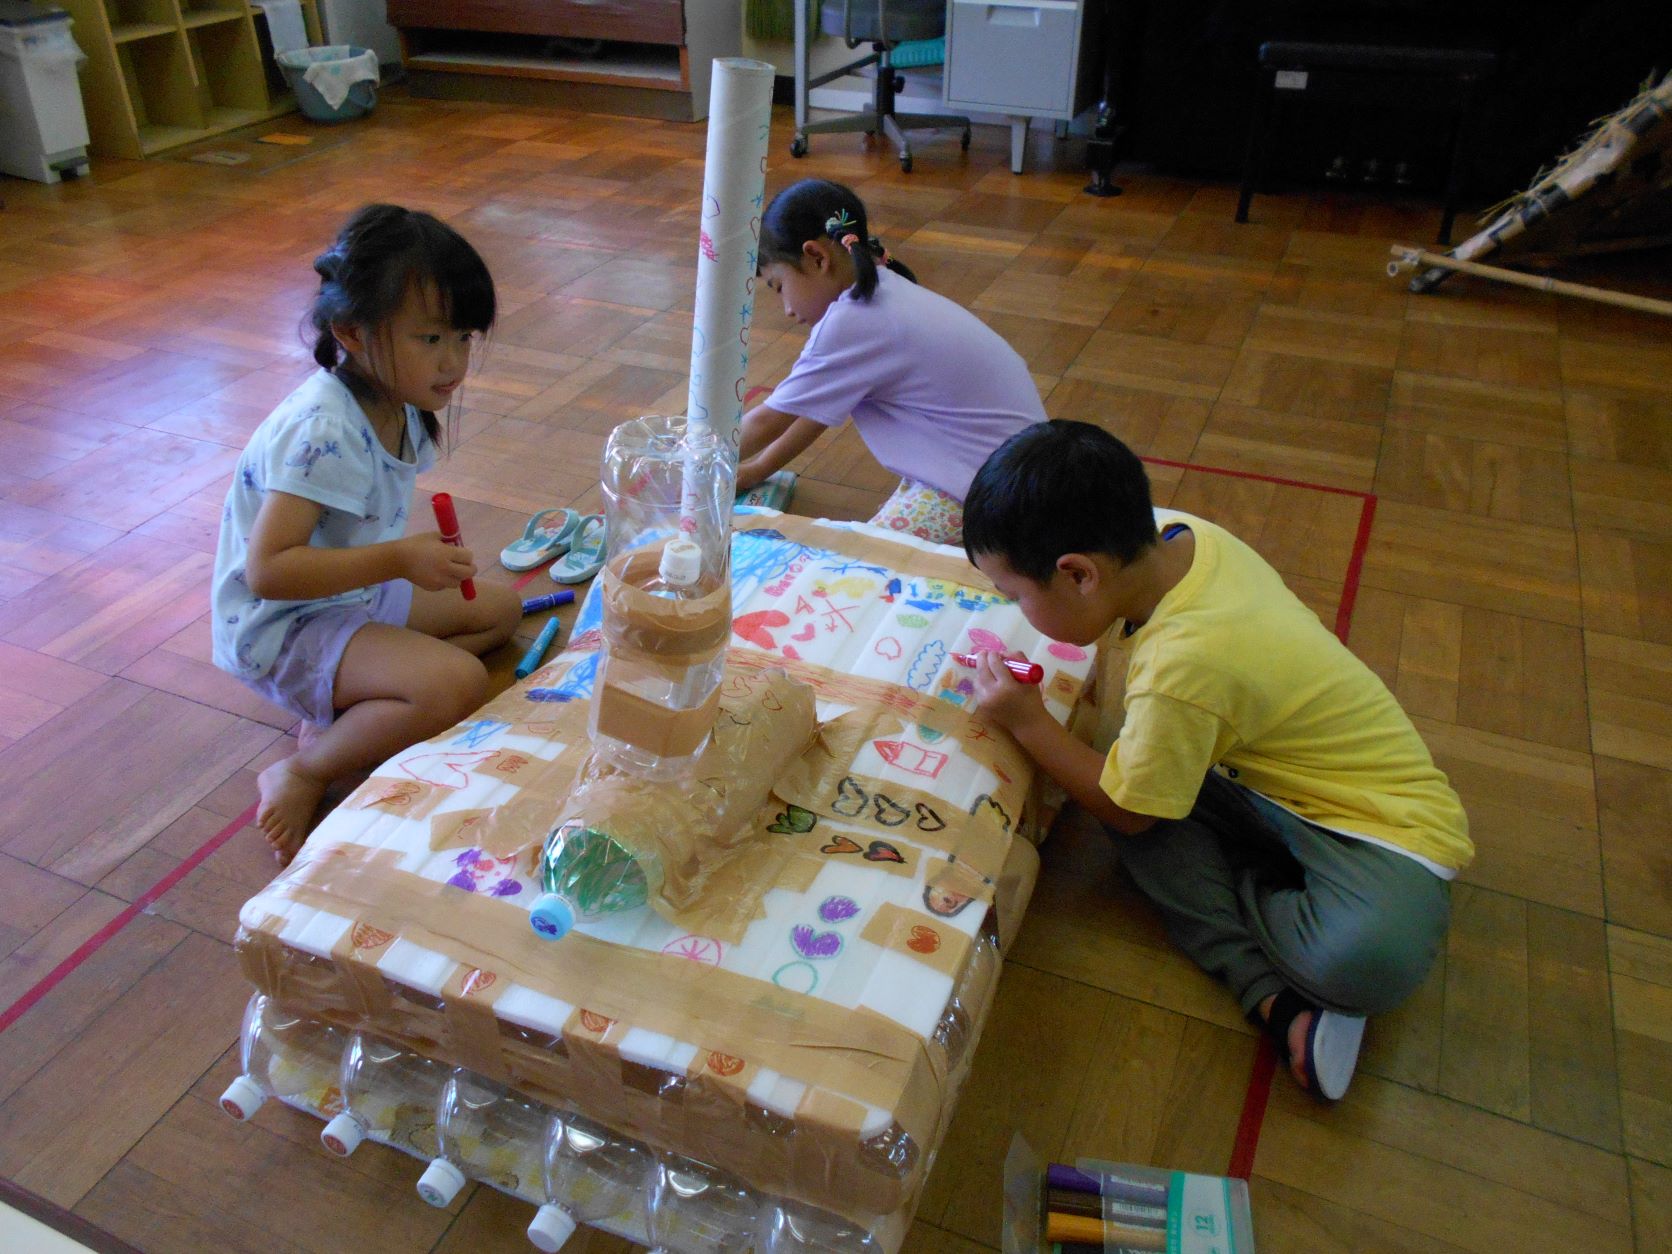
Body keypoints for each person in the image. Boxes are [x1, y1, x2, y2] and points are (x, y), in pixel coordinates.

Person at [960, 420, 1471, 1100]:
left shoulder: (1184, 667)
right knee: (1121, 780)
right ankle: (1273, 994)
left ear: (1079, 573)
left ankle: (1261, 939)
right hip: (1248, 779)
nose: (1015, 611)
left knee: (1364, 964)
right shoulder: (1177, 535)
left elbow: (1130, 811)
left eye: (1015, 594)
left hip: (1382, 828)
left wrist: (1028, 723)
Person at [211, 204, 520, 864]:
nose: (454, 362)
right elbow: (269, 571)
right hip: (283, 626)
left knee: (500, 612)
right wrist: (399, 559)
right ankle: (306, 769)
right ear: (351, 331)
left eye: (463, 338)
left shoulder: (394, 399)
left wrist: (400, 563)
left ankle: (352, 701)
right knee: (457, 684)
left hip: (345, 596)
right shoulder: (323, 431)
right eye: (430, 339)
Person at [738, 178, 1045, 546]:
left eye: (779, 286)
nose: (787, 309)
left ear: (817, 257)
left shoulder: (853, 322)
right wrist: (758, 468)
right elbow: (811, 411)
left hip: (989, 495)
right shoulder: (883, 291)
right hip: (1017, 475)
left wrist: (692, 466)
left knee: (855, 563)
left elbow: (767, 421)